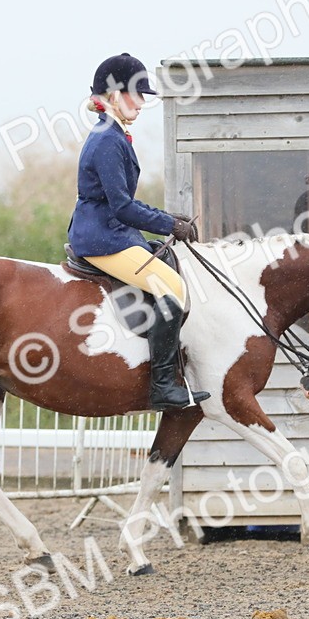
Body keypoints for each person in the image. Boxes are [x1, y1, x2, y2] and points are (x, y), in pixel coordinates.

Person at [67, 53, 210, 410]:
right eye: (137, 95)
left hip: (111, 231)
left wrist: (167, 217)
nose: (143, 103)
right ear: (116, 95)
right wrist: (169, 225)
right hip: (102, 238)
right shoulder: (107, 140)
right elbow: (122, 207)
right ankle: (163, 386)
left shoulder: (114, 134)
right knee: (172, 287)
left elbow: (123, 202)